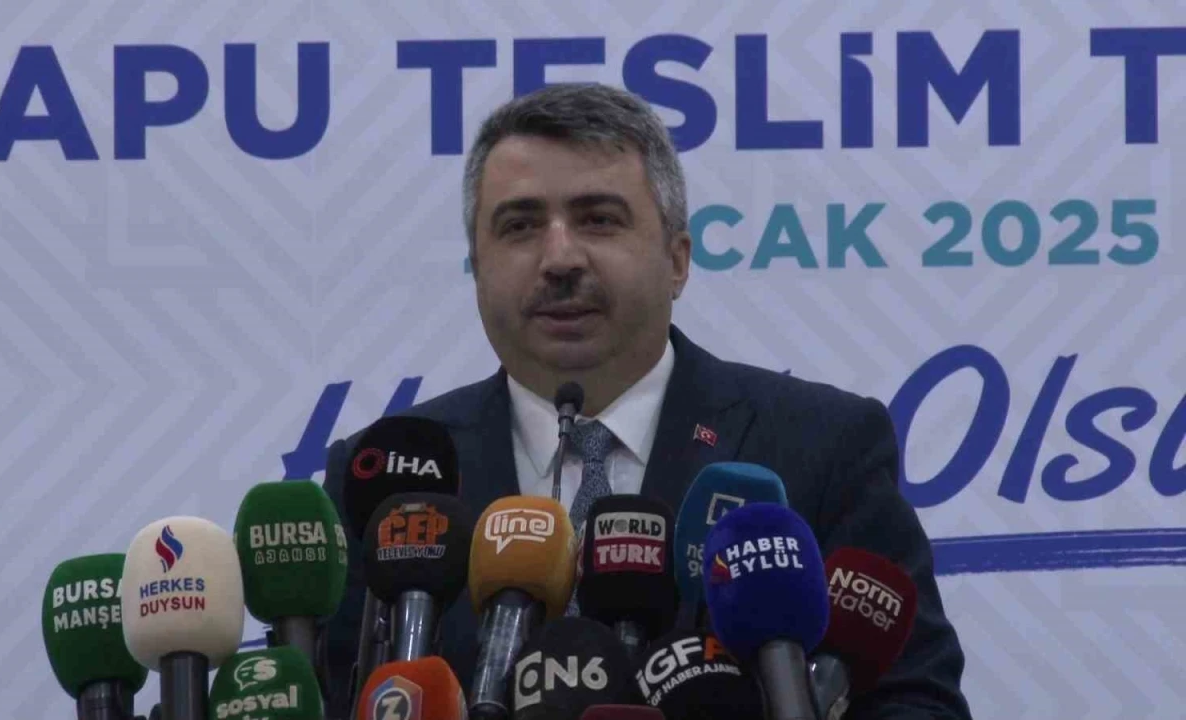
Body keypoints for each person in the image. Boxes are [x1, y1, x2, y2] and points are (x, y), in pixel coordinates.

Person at [320, 82, 972, 719]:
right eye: (519, 226)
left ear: (677, 259)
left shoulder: (823, 446)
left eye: (598, 219)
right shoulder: (386, 480)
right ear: (477, 267)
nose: (559, 258)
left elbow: (916, 702)